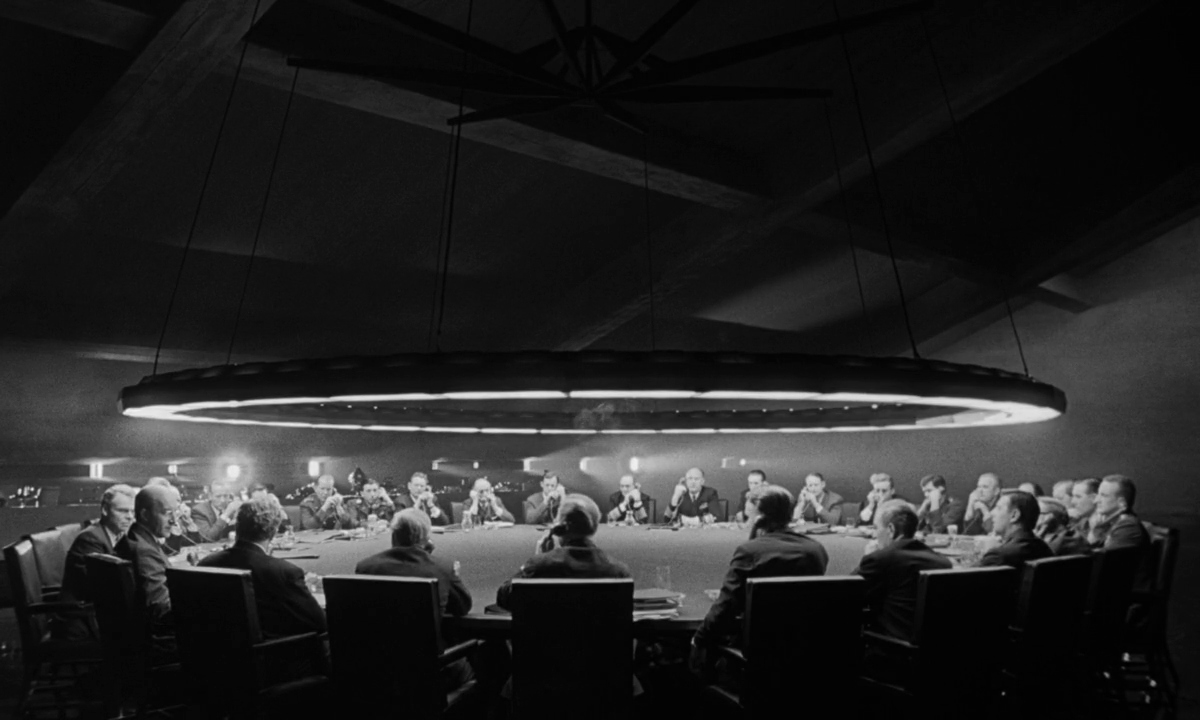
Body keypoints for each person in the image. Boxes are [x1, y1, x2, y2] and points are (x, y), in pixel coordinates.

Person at [691, 486, 827, 665]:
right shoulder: (816, 550)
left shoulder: (750, 551)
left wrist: (699, 639)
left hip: (758, 653)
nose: (747, 522)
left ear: (759, 519)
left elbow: (726, 608)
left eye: (749, 517)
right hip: (806, 652)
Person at [198, 495, 326, 639]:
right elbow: (320, 623)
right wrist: (301, 588)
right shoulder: (285, 572)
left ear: (237, 525)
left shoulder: (205, 564)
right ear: (273, 530)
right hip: (271, 650)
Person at [495, 495, 630, 610]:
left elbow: (504, 597)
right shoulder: (619, 572)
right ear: (594, 526)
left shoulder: (540, 566)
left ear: (559, 527)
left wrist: (537, 560)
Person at [854, 500, 952, 641]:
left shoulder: (881, 559)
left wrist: (868, 556)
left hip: (889, 646)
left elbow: (847, 595)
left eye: (876, 528)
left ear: (891, 529)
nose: (874, 534)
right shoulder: (943, 562)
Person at [356, 509, 472, 617]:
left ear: (394, 535)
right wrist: (453, 576)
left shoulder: (365, 567)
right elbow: (462, 607)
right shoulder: (442, 568)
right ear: (426, 538)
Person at [57, 483, 137, 639]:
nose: (130, 517)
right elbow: (102, 587)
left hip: (98, 613)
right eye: (122, 511)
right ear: (105, 510)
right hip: (81, 621)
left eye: (132, 511)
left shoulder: (118, 536)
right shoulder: (90, 539)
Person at [116, 484, 179, 630]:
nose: (174, 521)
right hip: (161, 637)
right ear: (145, 515)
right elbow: (161, 608)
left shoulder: (135, 538)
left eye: (175, 513)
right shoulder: (144, 550)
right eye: (167, 513)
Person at [978, 492, 1052, 570]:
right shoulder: (1044, 548)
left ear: (1014, 515)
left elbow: (969, 575)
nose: (991, 513)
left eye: (999, 508)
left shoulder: (997, 556)